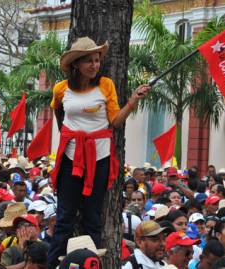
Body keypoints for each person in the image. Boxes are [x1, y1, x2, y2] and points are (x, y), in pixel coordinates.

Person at [47, 36, 150, 268]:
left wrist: (132, 101)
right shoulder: (61, 89)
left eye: (97, 60)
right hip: (70, 159)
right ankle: (53, 265)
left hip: (100, 159)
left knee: (92, 217)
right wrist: (68, 136)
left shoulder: (106, 85)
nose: (95, 65)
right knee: (64, 218)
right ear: (76, 64)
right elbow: (58, 112)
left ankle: (91, 265)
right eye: (89, 61)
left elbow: (114, 121)